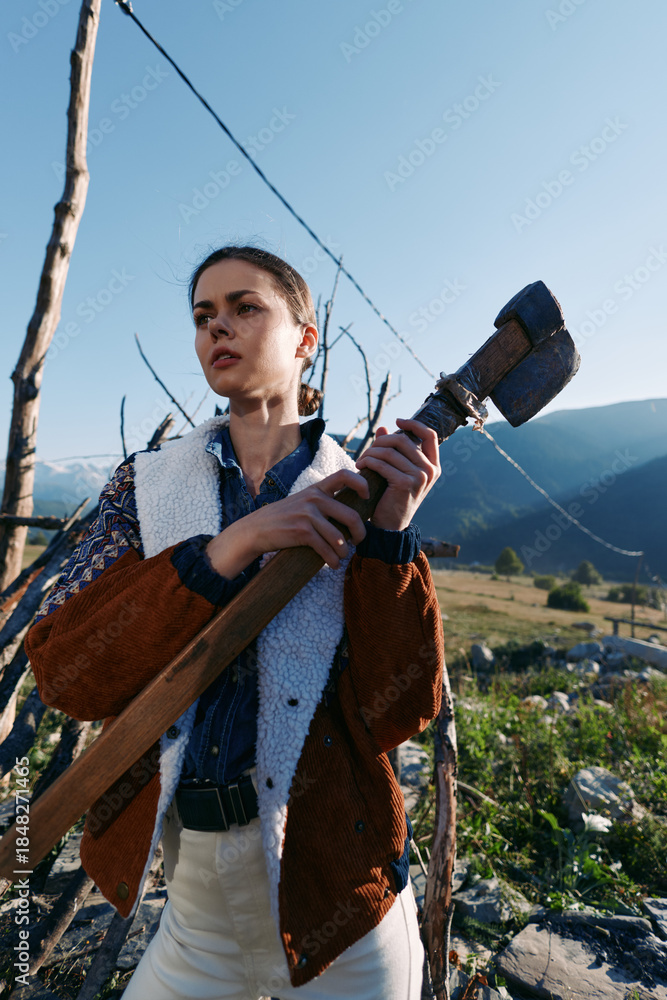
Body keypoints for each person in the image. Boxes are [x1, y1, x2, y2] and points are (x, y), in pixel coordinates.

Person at [26, 245, 445, 999]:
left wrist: (388, 539)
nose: (217, 327)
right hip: (195, 913)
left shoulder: (359, 494)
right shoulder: (143, 488)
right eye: (203, 316)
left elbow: (400, 711)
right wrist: (228, 548)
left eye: (245, 307)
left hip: (342, 910)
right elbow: (66, 675)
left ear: (305, 339)